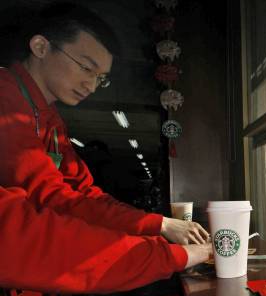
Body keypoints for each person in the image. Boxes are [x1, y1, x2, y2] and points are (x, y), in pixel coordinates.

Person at [0, 3, 208, 246]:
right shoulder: (5, 97)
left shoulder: (50, 117)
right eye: (87, 68)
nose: (92, 86)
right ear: (40, 47)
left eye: (101, 78)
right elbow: (52, 197)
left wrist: (154, 221)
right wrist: (157, 224)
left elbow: (84, 191)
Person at [0, 186, 212, 294]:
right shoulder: (13, 112)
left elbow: (86, 201)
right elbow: (44, 234)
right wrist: (174, 249)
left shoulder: (49, 121)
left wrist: (157, 224)